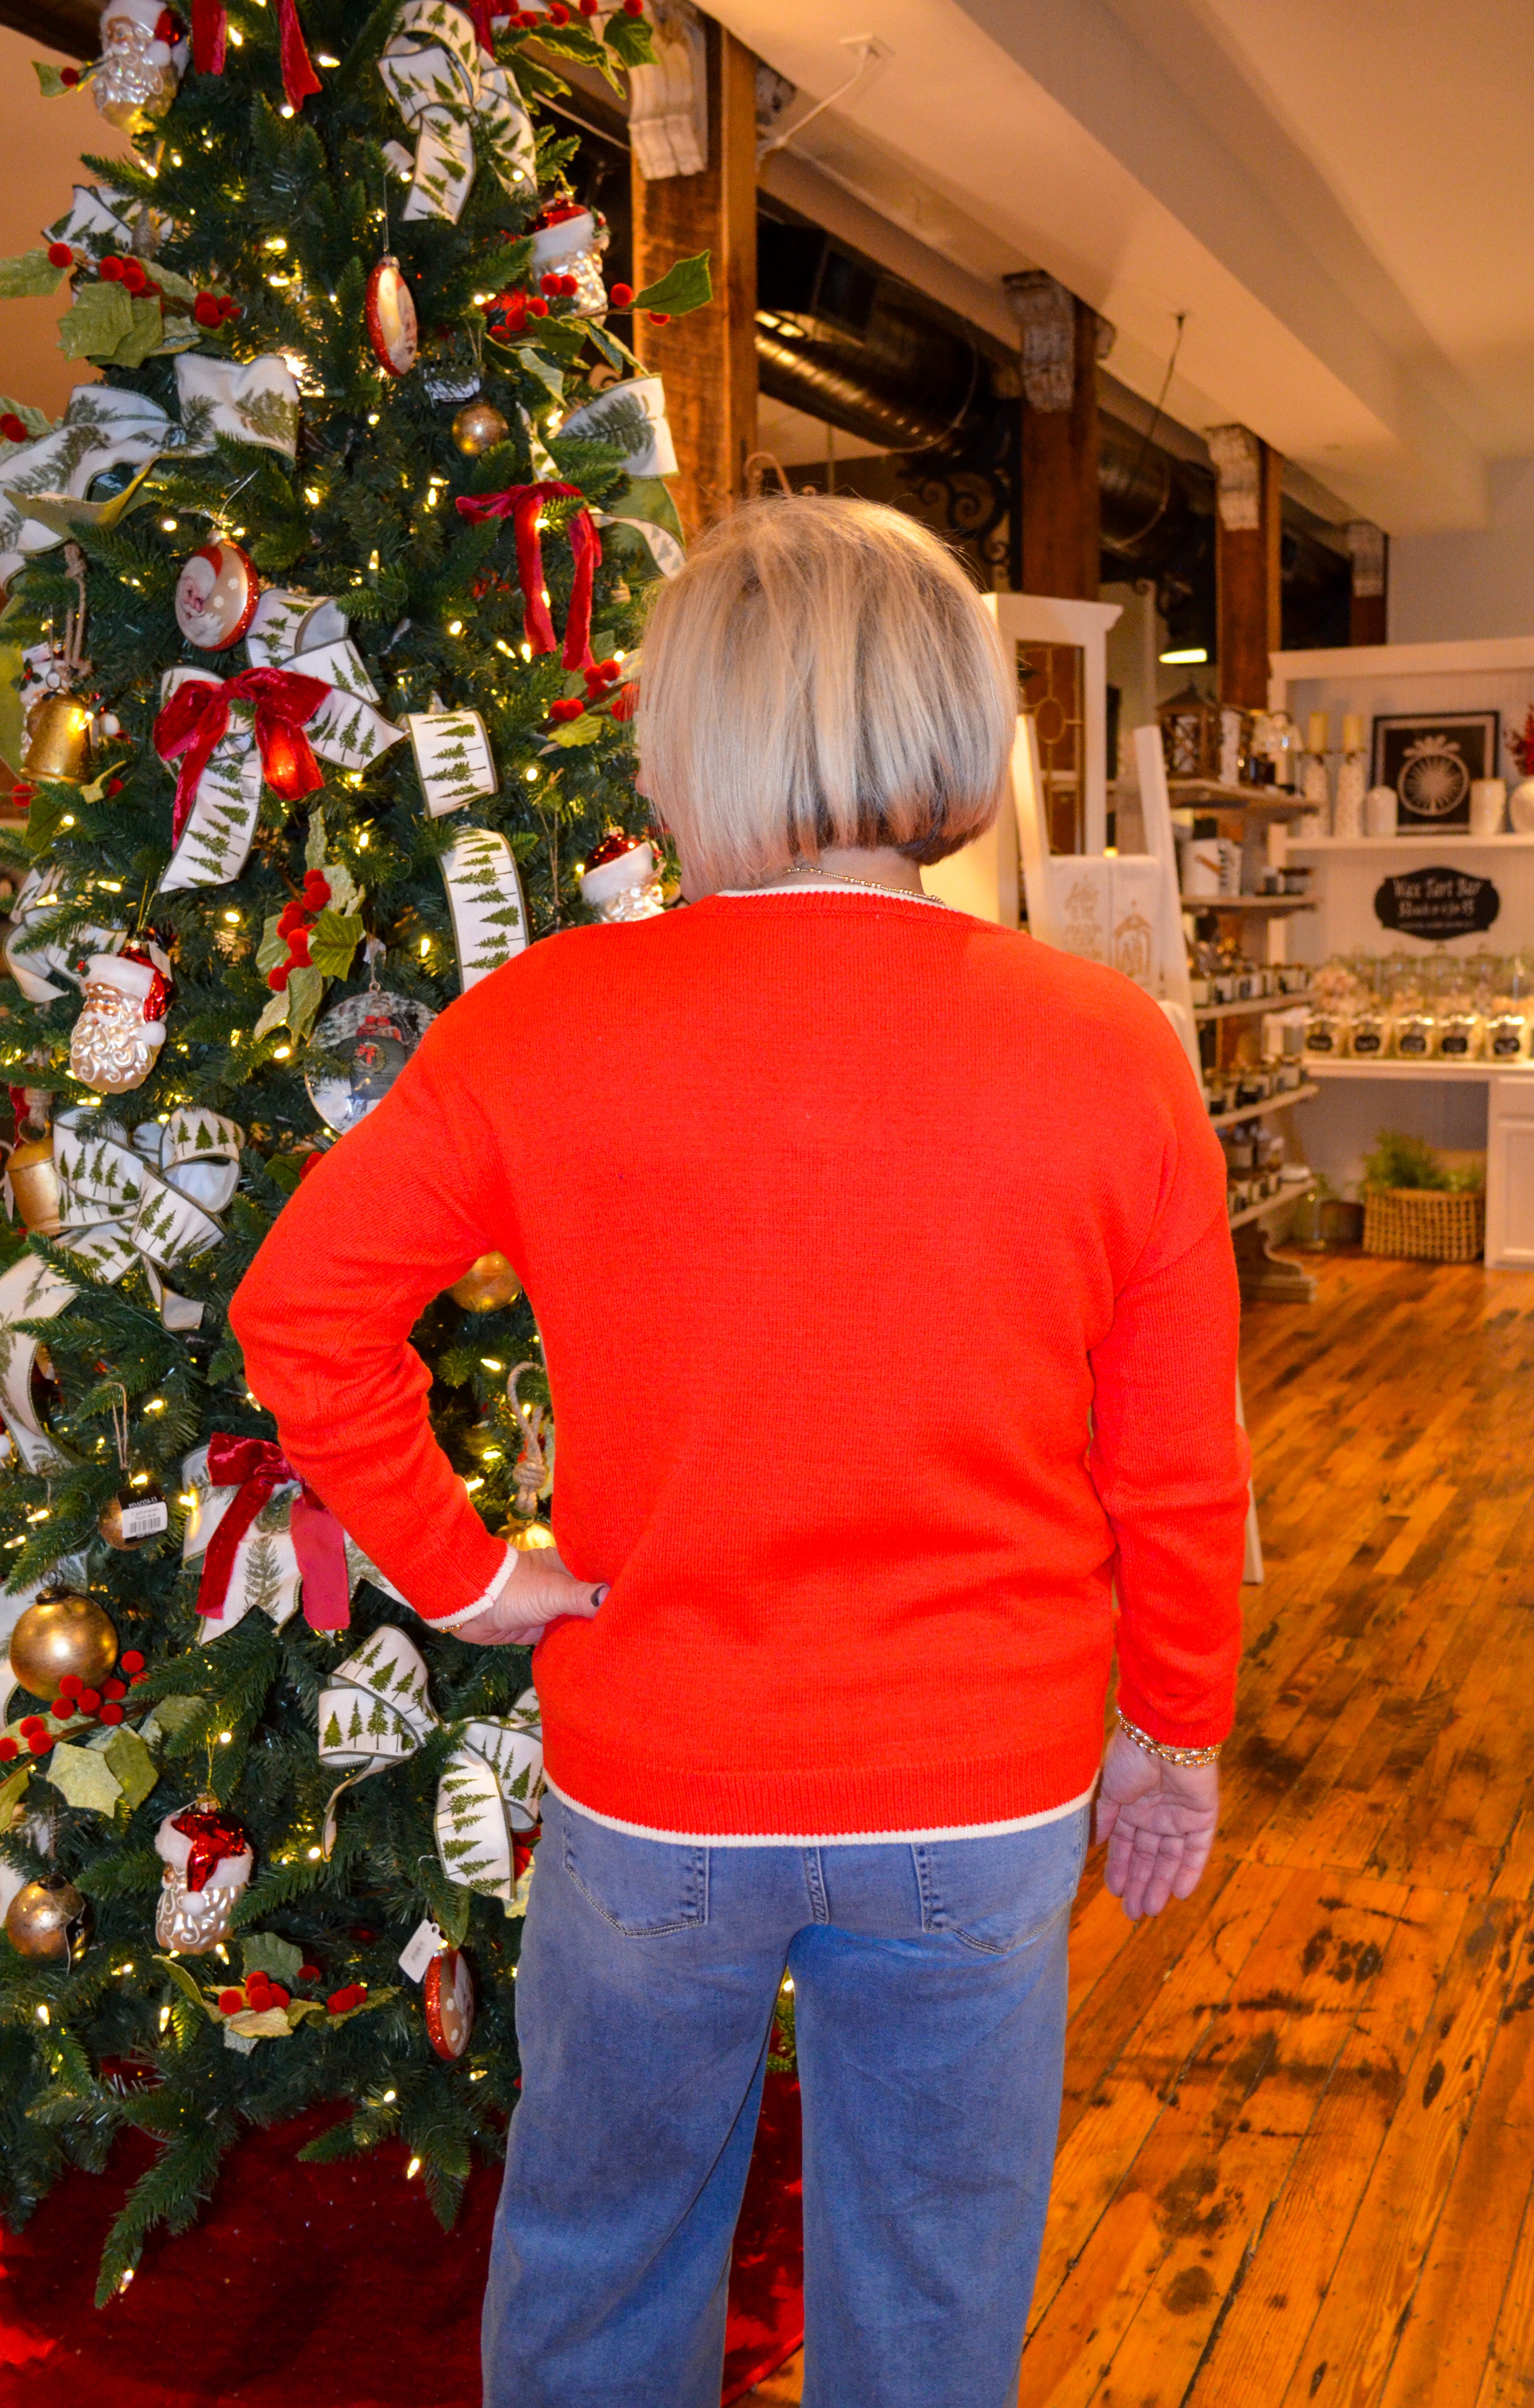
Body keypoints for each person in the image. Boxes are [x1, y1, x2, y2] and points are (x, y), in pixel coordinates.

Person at [231, 495, 1249, 2408]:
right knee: (931, 2285)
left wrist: (467, 1573)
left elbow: (302, 1311)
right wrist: (1173, 1734)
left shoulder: (549, 1022)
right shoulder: (1111, 1049)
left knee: (605, 2255)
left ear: (700, 730)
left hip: (662, 1777)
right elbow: (1179, 1467)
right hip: (980, 1783)